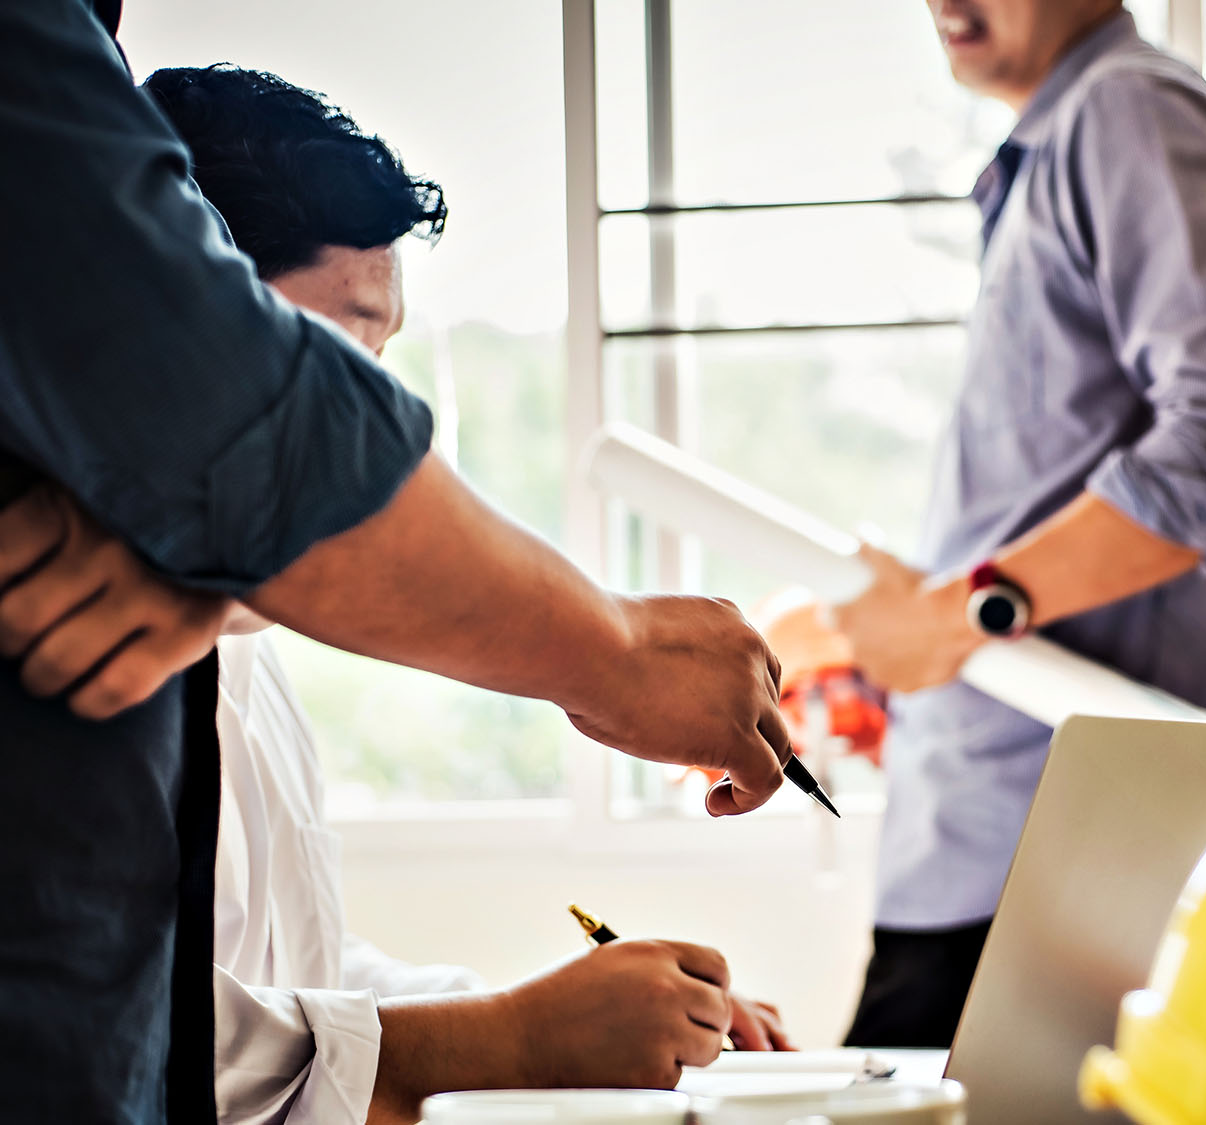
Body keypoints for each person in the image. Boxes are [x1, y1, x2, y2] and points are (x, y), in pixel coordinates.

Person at [0, 3, 791, 1120]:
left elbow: (286, 974)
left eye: (382, 365)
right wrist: (507, 1040)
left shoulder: (236, 653)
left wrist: (570, 1019)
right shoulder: (77, 630)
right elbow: (118, 1031)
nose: (373, 415)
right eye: (334, 364)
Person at [795, 0, 1206, 1048]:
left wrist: (959, 619)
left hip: (1054, 871)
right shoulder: (1050, 151)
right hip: (995, 848)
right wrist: (907, 658)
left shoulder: (1126, 113)